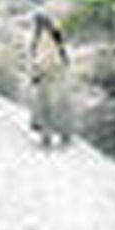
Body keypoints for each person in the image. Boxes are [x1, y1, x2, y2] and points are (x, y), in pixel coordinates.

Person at [28, 10, 71, 149]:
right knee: (54, 104)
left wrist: (37, 72)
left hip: (49, 74)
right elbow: (63, 58)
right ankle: (61, 133)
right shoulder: (53, 35)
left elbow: (45, 58)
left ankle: (48, 136)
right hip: (54, 74)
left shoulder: (45, 37)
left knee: (46, 105)